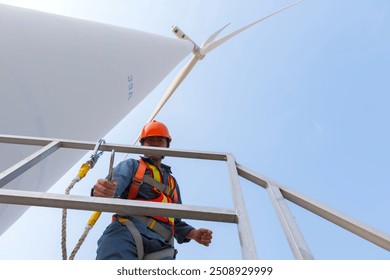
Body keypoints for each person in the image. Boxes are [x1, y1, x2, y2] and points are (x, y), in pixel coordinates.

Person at [92, 120, 213, 260]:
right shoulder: (132, 165)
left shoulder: (172, 183)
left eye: (160, 140)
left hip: (162, 246)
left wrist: (193, 233)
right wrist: (104, 192)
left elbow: (175, 220)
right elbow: (112, 187)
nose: (155, 143)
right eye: (150, 140)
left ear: (167, 145)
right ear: (143, 145)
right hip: (126, 232)